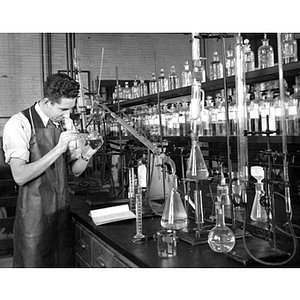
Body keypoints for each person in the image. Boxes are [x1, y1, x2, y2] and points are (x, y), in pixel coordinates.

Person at [2, 73, 101, 267]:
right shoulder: (19, 123)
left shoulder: (66, 123)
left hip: (61, 212)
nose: (67, 115)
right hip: (34, 219)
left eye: (70, 109)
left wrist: (88, 154)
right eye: (63, 109)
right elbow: (20, 176)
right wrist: (57, 150)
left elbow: (75, 171)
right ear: (47, 101)